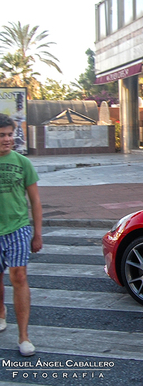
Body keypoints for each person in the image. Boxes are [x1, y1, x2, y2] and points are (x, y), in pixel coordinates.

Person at [0, 114, 42, 356]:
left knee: (19, 276)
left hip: (17, 228)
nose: (7, 139)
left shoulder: (22, 163)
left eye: (9, 134)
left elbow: (35, 201)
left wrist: (37, 234)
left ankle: (24, 336)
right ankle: (1, 312)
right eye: (2, 135)